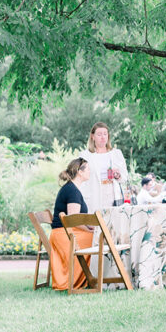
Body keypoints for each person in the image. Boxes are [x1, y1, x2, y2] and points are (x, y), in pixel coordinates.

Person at [49, 158, 93, 291]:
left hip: (65, 232)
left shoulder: (71, 188)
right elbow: (73, 219)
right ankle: (97, 277)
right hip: (63, 234)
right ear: (80, 172)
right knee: (98, 239)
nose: (90, 172)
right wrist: (89, 230)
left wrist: (87, 228)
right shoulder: (72, 190)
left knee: (96, 236)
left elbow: (75, 220)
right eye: (88, 169)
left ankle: (91, 277)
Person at [78, 122, 128, 212]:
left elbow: (125, 177)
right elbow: (80, 179)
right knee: (96, 223)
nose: (103, 137)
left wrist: (118, 176)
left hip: (113, 196)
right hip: (94, 195)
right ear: (92, 136)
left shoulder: (116, 153)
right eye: (99, 134)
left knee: (113, 224)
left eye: (105, 134)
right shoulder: (85, 155)